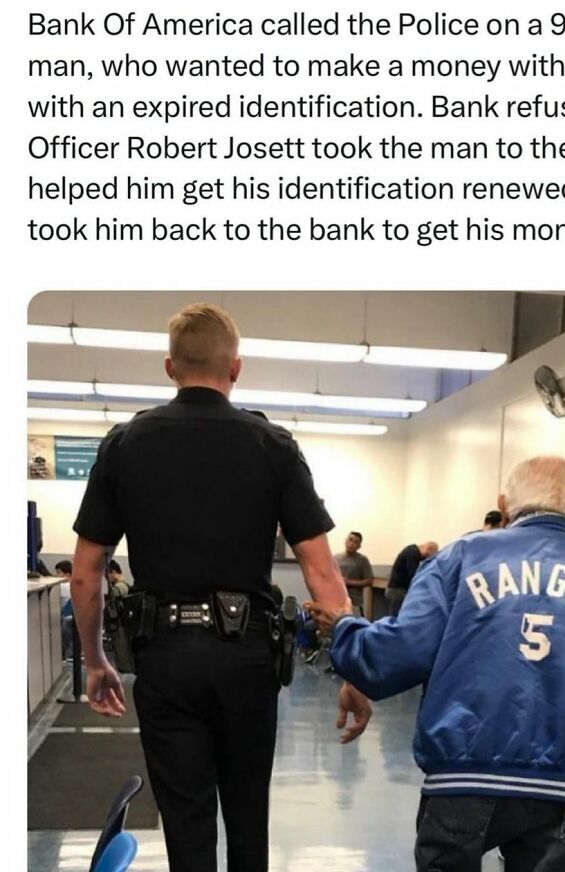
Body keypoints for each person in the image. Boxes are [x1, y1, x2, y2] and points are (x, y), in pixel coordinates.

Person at [70, 302, 372, 872]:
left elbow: (85, 572)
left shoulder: (123, 445)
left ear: (169, 367)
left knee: (187, 829)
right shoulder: (273, 446)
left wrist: (95, 659)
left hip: (164, 661)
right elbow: (323, 572)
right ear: (236, 368)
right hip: (248, 662)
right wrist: (353, 669)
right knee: (247, 820)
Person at [310, 456, 565, 872]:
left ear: (504, 505)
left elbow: (399, 653)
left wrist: (344, 630)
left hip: (463, 776)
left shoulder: (460, 558)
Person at [385, 541, 438, 617]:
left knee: (397, 615)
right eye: (429, 556)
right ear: (428, 549)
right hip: (398, 590)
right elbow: (414, 575)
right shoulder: (413, 554)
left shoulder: (411, 551)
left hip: (395, 590)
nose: (427, 559)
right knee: (397, 617)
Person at [334, 531, 374, 612]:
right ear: (345, 540)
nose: (351, 544)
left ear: (359, 546)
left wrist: (349, 582)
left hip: (354, 601)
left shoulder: (362, 560)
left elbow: (370, 581)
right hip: (336, 600)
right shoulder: (336, 558)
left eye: (355, 542)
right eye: (350, 540)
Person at [55, 560, 74, 658]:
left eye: (59, 573)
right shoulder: (75, 585)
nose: (56, 576)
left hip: (66, 618)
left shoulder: (62, 587)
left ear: (67, 574)